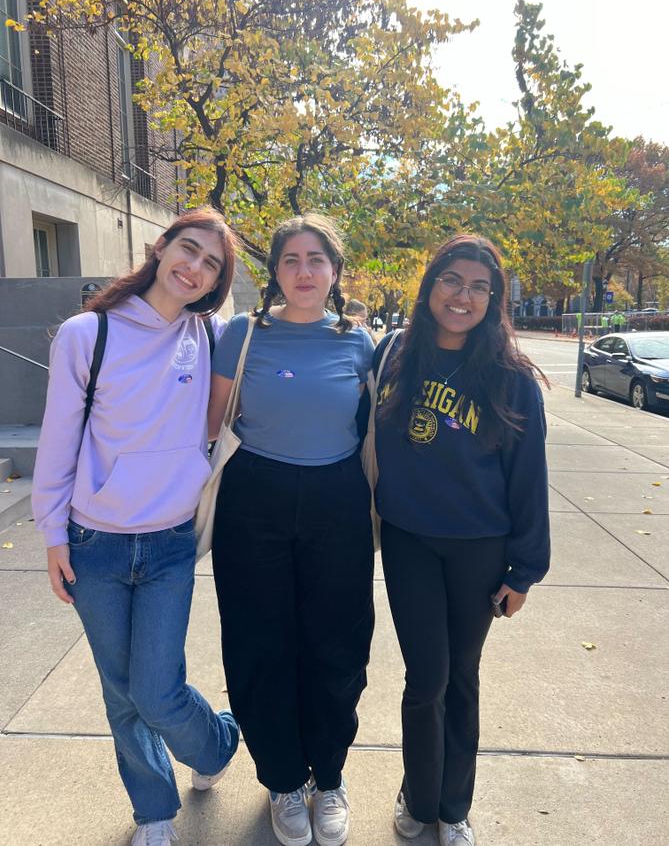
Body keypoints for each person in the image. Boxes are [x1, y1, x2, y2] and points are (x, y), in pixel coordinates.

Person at [32, 208, 241, 846]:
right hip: (95, 543)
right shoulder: (84, 334)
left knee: (155, 688)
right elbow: (58, 441)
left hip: (171, 541)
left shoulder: (209, 337)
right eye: (188, 249)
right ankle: (153, 810)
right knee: (120, 692)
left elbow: (218, 420)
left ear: (216, 282)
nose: (194, 267)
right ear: (159, 246)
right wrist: (52, 535)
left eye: (211, 263)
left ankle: (217, 741)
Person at [373, 234, 550, 846]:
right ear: (429, 288)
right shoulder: (394, 355)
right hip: (408, 542)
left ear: (493, 299)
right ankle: (418, 797)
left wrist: (523, 570)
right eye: (452, 280)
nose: (463, 295)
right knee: (427, 679)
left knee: (463, 677)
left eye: (479, 286)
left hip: (480, 548)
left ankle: (454, 807)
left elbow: (529, 478)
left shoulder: (511, 379)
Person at [208, 214, 375, 846]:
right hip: (256, 499)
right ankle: (282, 778)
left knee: (338, 643)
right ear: (275, 271)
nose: (303, 272)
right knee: (259, 643)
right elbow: (210, 424)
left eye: (316, 260)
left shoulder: (359, 342)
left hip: (337, 501)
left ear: (334, 272)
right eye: (290, 260)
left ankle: (328, 776)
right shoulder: (241, 335)